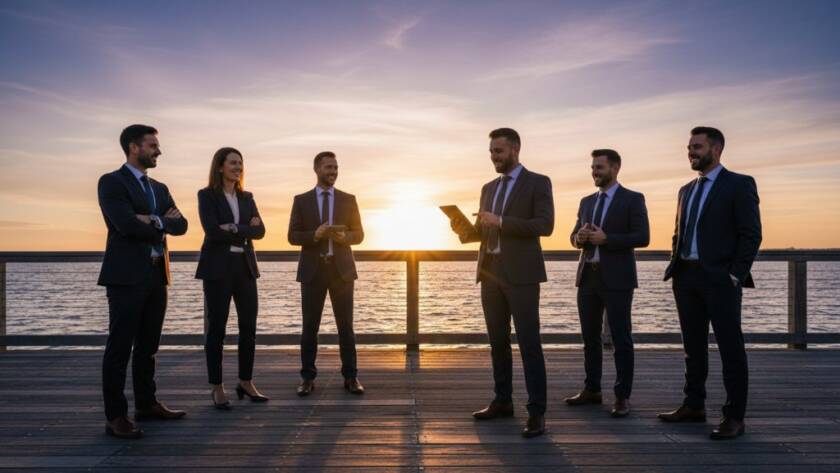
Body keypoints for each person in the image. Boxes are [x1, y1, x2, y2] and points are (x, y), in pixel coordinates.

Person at [449, 128, 554, 438]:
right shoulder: (488, 187)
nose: (494, 157)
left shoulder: (538, 182)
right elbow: (482, 233)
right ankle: (503, 401)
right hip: (490, 274)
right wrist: (463, 229)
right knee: (497, 343)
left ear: (515, 149)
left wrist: (502, 222)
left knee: (530, 344)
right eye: (491, 152)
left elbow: (544, 226)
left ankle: (537, 412)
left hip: (522, 275)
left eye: (499, 151)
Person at [658, 126, 762, 440]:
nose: (690, 151)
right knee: (692, 348)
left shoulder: (739, 184)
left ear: (715, 149)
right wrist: (676, 266)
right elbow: (680, 232)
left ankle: (734, 416)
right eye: (689, 146)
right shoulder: (685, 189)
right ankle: (694, 405)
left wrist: (734, 274)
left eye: (697, 146)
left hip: (720, 279)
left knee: (731, 348)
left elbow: (751, 234)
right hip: (686, 277)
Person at [97, 124, 188, 439]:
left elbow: (183, 225)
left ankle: (146, 404)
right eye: (152, 145)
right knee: (119, 347)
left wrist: (152, 220)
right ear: (134, 147)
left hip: (156, 274)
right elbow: (124, 225)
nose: (158, 150)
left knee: (149, 346)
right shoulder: (111, 182)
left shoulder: (159, 188)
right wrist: (162, 222)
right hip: (125, 276)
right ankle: (116, 416)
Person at [565, 149, 649, 417]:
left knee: (621, 338)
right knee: (589, 337)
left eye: (599, 167)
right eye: (592, 167)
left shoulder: (633, 199)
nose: (594, 172)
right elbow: (572, 236)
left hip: (617, 278)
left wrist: (607, 239)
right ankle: (592, 389)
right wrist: (578, 237)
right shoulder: (586, 201)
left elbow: (642, 237)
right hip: (587, 275)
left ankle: (622, 396)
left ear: (615, 168)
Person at [288, 151, 364, 396]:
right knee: (310, 327)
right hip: (313, 271)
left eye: (336, 167)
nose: (333, 171)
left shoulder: (348, 199)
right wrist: (315, 235)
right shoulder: (301, 200)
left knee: (346, 327)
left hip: (341, 270)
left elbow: (359, 234)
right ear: (317, 169)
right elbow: (292, 236)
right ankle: (307, 378)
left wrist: (346, 237)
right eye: (329, 167)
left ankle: (351, 377)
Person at [196, 147, 268, 409]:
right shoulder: (207, 195)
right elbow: (212, 231)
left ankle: (245, 382)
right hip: (217, 269)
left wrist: (236, 228)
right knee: (217, 329)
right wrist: (246, 229)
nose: (238, 167)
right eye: (233, 163)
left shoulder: (247, 197)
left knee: (248, 328)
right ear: (220, 166)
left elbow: (260, 232)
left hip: (245, 268)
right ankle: (217, 387)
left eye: (240, 163)